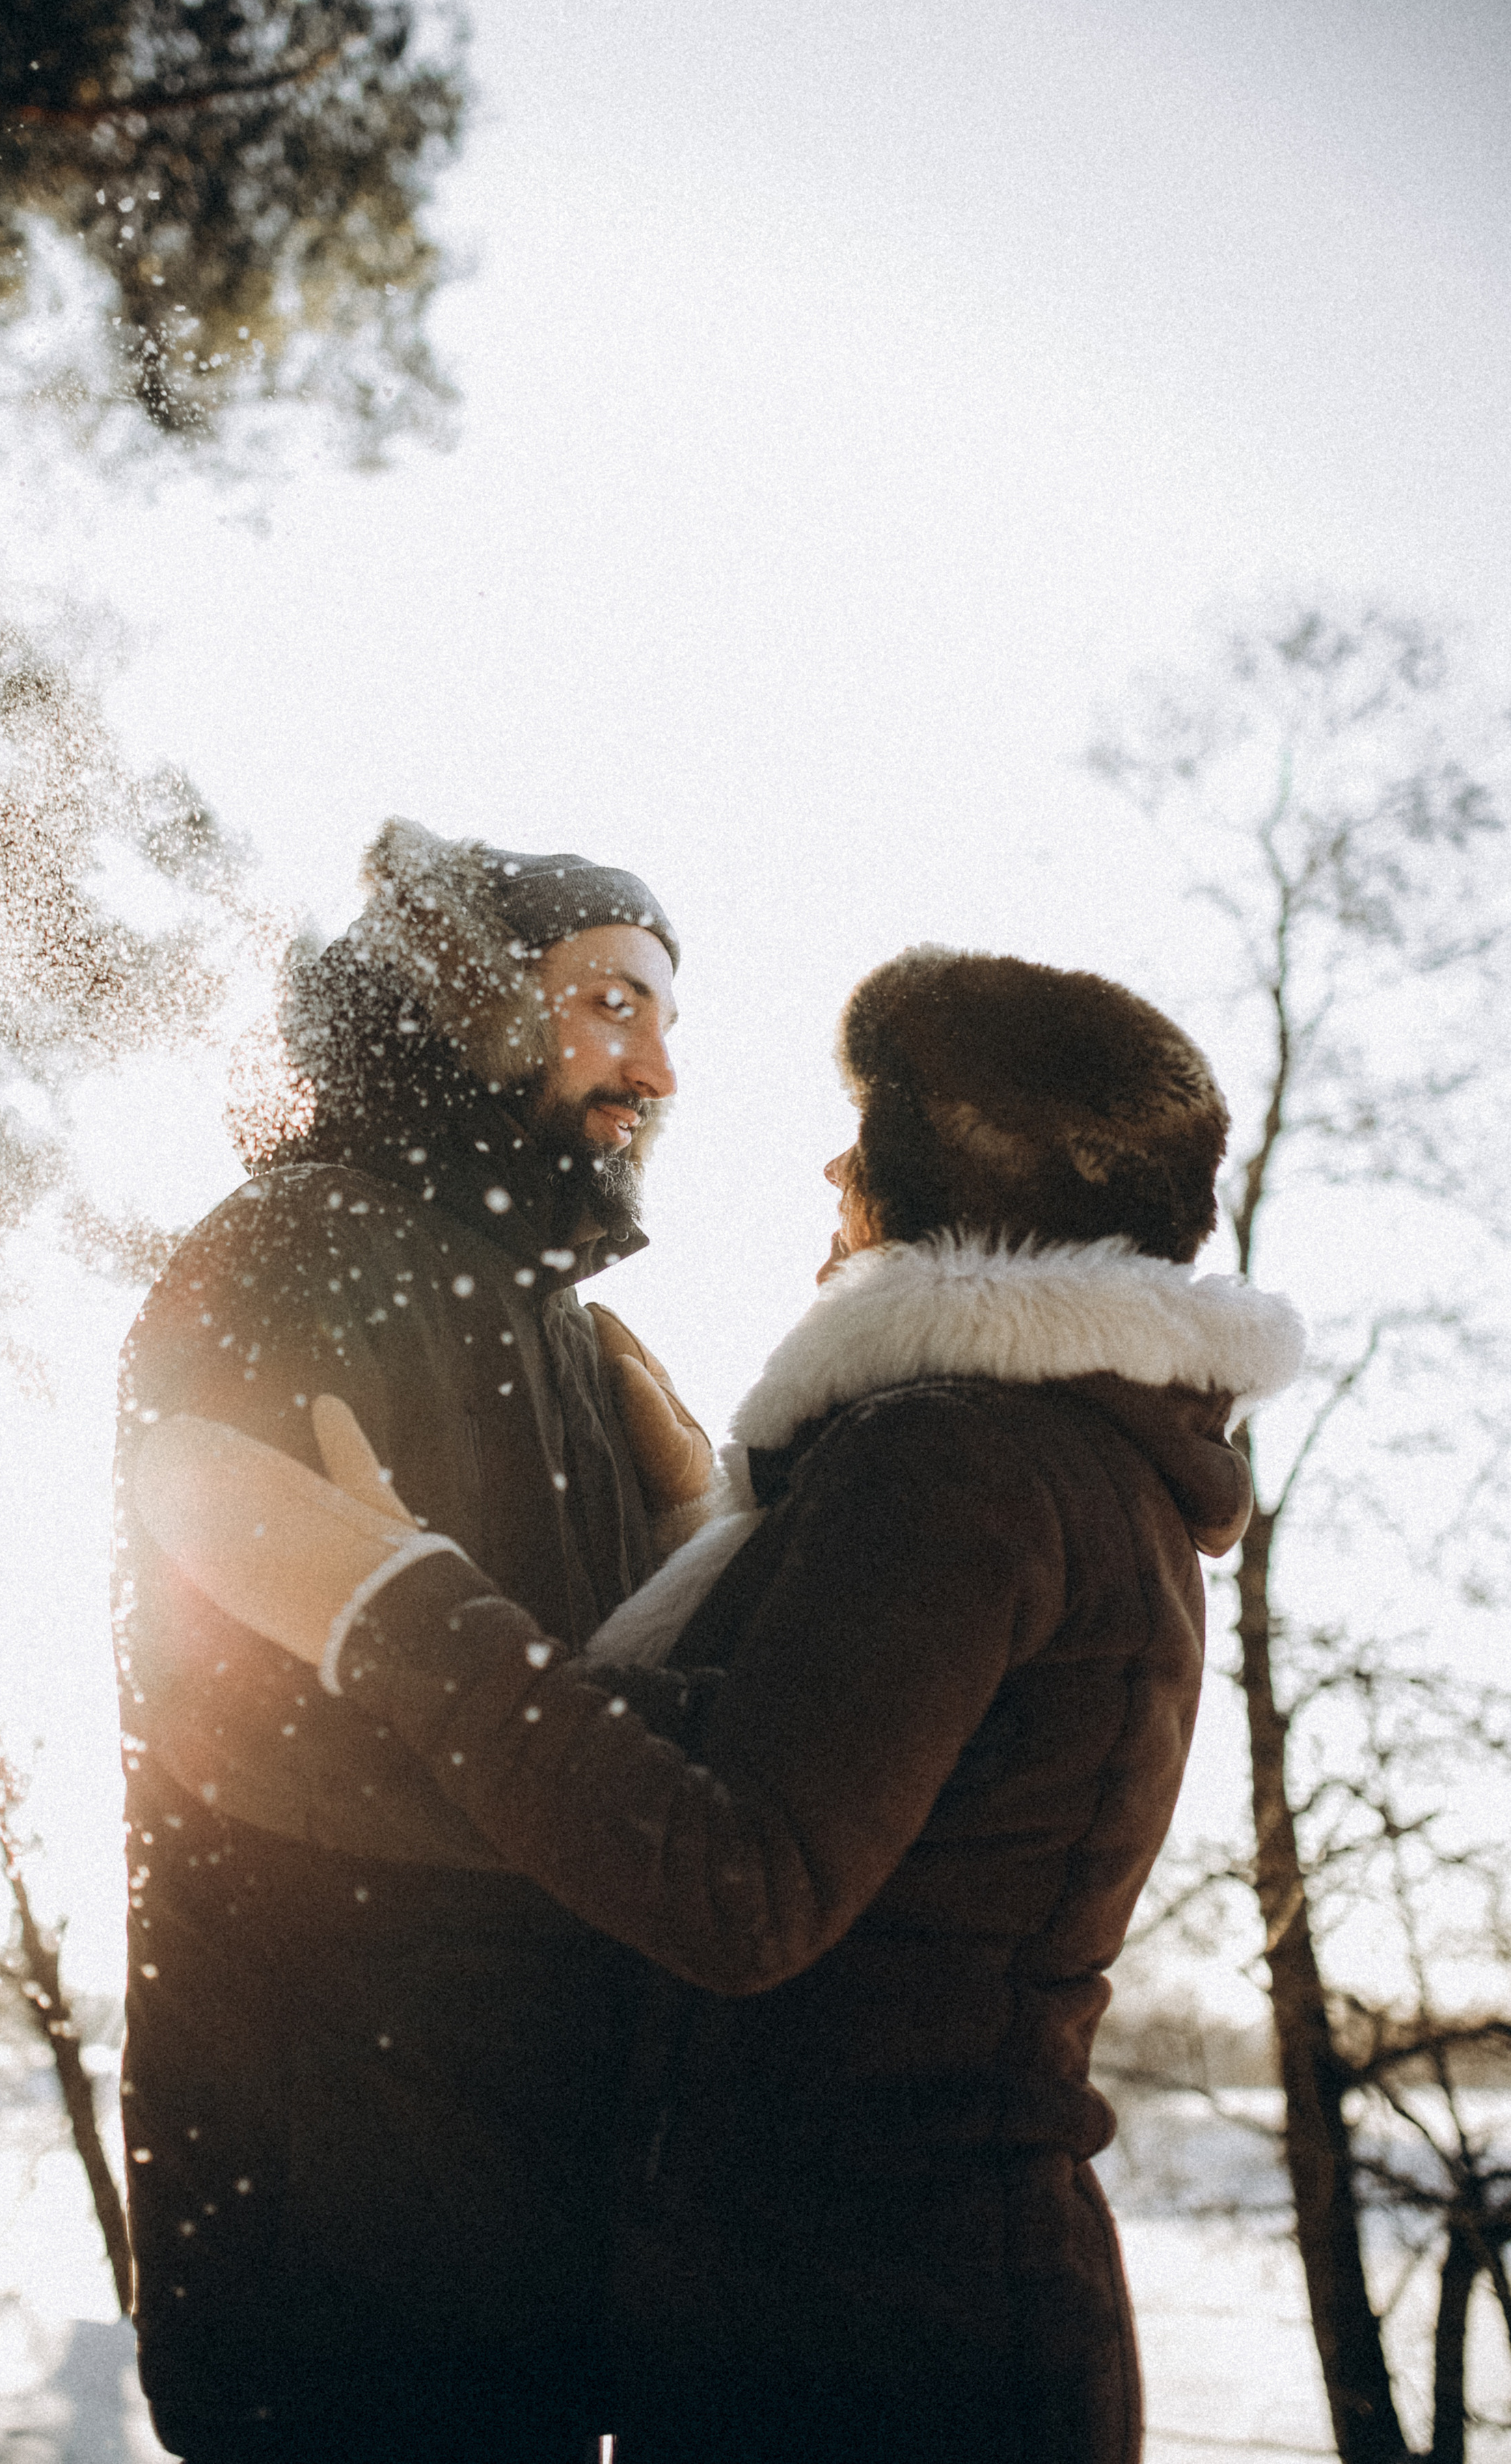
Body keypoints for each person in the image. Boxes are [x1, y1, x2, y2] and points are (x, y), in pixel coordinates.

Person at [135, 943, 1306, 2464]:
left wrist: (396, 1604)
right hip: (896, 2323)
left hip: (868, 2363)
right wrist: (707, 1538)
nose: (833, 1165)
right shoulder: (1071, 1464)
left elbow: (742, 1883)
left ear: (959, 1193)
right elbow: (858, 1788)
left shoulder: (953, 1460)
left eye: (872, 1138)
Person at [113, 816, 711, 2463]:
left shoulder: (577, 1337)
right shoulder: (295, 1247)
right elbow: (249, 1733)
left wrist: (706, 1544)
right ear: (463, 1010)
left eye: (669, 1018)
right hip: (345, 2224)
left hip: (524, 2206)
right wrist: (641, 1805)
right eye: (608, 1002)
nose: (655, 1065)